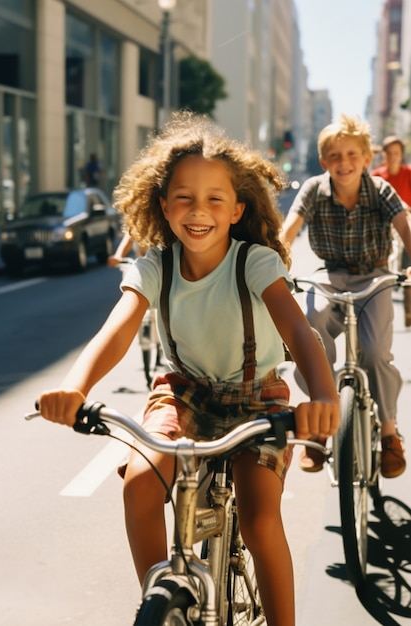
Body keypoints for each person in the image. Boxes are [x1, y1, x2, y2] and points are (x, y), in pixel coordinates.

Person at [38, 111, 339, 626]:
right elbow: (117, 329)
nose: (198, 211)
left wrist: (323, 397)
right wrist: (74, 387)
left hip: (257, 397)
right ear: (163, 205)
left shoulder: (255, 263)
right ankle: (164, 600)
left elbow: (299, 333)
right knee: (138, 484)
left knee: (260, 521)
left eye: (214, 199)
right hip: (183, 392)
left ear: (236, 209)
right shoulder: (155, 265)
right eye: (183, 197)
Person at [282, 113, 410, 478]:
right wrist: (272, 264)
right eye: (335, 156)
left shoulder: (381, 191)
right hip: (331, 276)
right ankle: (319, 426)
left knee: (374, 353)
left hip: (376, 277)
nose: (344, 163)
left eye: (353, 154)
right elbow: (287, 232)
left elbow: (404, 225)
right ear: (324, 162)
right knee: (311, 325)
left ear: (368, 158)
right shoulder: (313, 190)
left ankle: (388, 433)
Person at [107, 232, 163, 387]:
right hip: (142, 270)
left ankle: (161, 347)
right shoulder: (138, 224)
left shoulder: (161, 222)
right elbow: (128, 238)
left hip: (159, 271)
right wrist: (118, 256)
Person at [371, 135, 411, 324]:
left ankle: (409, 307)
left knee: (407, 262)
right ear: (384, 155)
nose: (394, 156)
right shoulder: (377, 175)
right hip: (384, 226)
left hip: (406, 222)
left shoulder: (408, 173)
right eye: (390, 153)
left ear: (401, 154)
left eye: (397, 153)